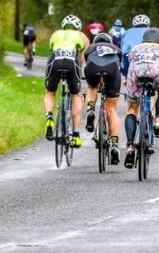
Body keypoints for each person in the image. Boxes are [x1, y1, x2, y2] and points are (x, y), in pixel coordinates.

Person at [123, 27, 159, 169]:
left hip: (136, 72)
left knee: (132, 109)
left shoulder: (136, 48)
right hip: (156, 71)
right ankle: (157, 121)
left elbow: (128, 62)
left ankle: (131, 146)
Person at [44, 15, 90, 148]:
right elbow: (82, 60)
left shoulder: (55, 34)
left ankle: (49, 118)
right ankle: (75, 135)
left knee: (50, 92)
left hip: (55, 59)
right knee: (76, 95)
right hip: (72, 62)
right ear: (78, 27)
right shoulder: (82, 37)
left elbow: (51, 50)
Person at [83, 33, 122, 165]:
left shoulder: (90, 48)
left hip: (93, 67)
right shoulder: (116, 48)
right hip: (112, 69)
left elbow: (86, 64)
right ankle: (115, 145)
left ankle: (90, 109)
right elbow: (119, 67)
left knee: (92, 87)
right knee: (112, 109)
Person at [120, 14, 150, 80]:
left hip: (131, 55)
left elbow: (123, 46)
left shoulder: (127, 31)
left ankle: (126, 78)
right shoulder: (151, 30)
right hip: (148, 53)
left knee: (126, 59)